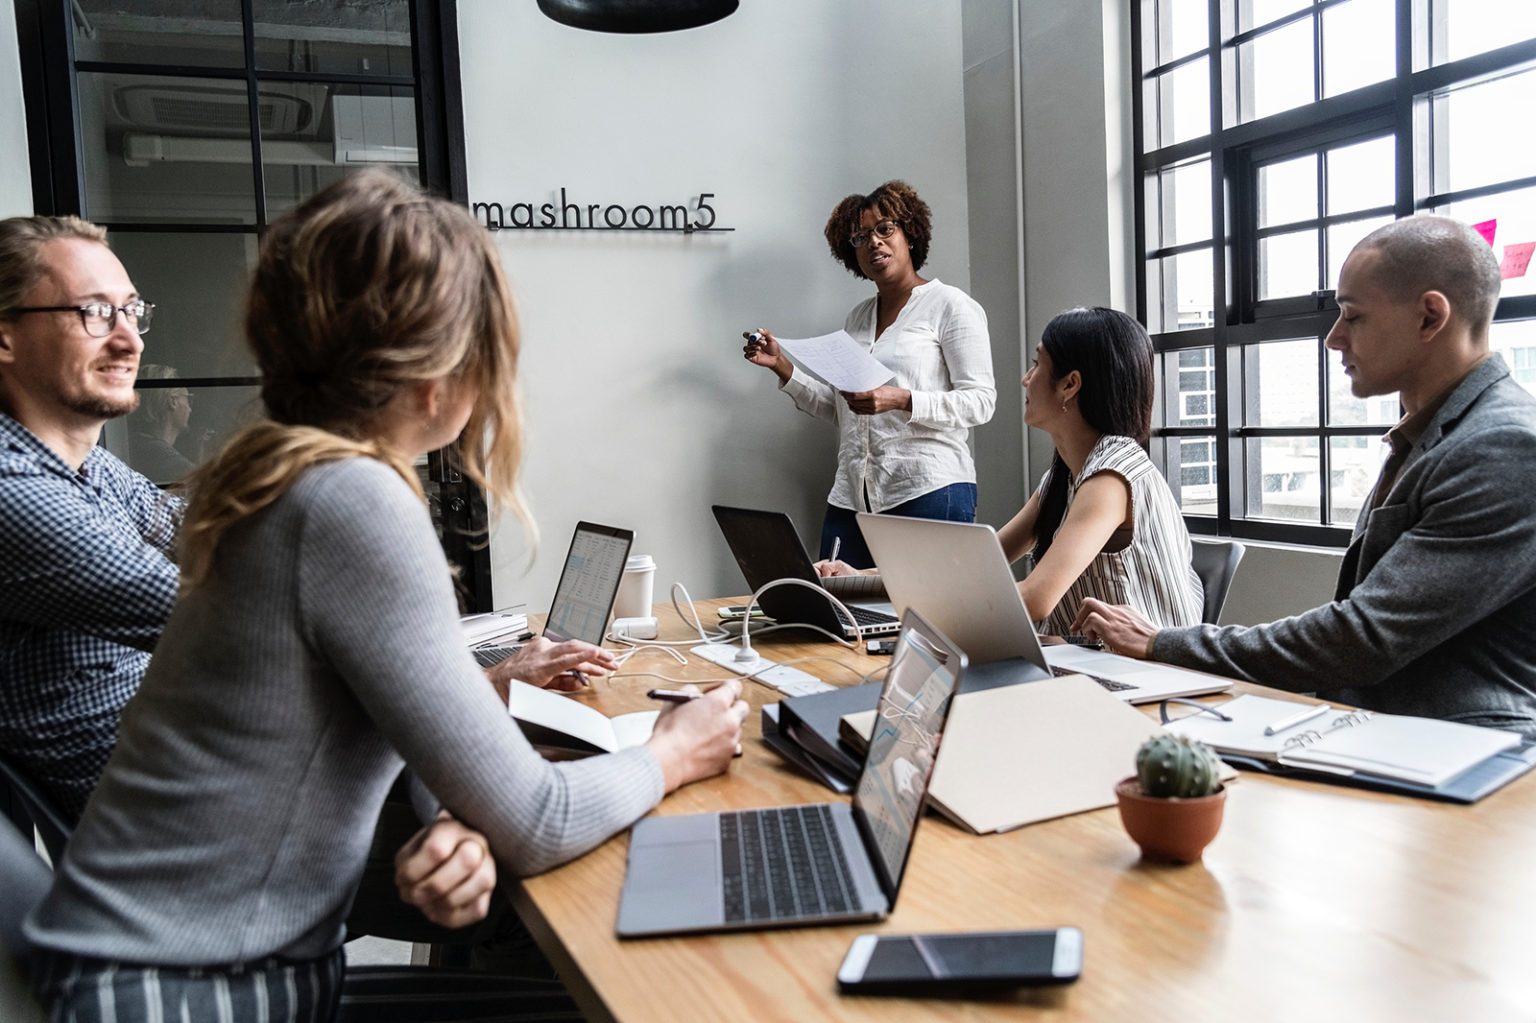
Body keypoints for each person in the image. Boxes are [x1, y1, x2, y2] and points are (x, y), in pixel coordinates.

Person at [24, 170, 747, 1020]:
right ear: (435, 370)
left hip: (165, 972)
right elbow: (541, 820)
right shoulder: (349, 501)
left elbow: (370, 721)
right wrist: (672, 749)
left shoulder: (281, 474)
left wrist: (463, 815)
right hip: (189, 996)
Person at [0, 213, 497, 933]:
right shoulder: (15, 492)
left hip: (246, 789)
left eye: (132, 310)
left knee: (509, 804)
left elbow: (227, 541)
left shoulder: (87, 469)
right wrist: (464, 681)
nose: (129, 337)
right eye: (93, 311)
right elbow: (248, 620)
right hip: (212, 855)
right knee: (542, 864)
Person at [1074, 216, 1536, 737]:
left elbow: (1366, 636)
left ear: (1430, 317)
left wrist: (1165, 642)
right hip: (1387, 734)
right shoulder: (1430, 434)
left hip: (1471, 752)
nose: (1333, 339)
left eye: (1352, 316)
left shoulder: (1505, 446)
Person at [743, 180, 995, 568]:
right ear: (852, 254)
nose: (873, 242)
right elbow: (841, 409)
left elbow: (981, 401)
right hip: (853, 494)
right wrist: (781, 365)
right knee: (838, 615)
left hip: (927, 488)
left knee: (920, 621)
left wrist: (900, 398)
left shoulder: (951, 306)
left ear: (909, 234)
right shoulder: (857, 318)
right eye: (860, 237)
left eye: (884, 229)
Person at [125, 364, 196, 483]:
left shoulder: (129, 446)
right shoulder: (174, 463)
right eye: (188, 399)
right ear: (172, 402)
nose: (190, 409)